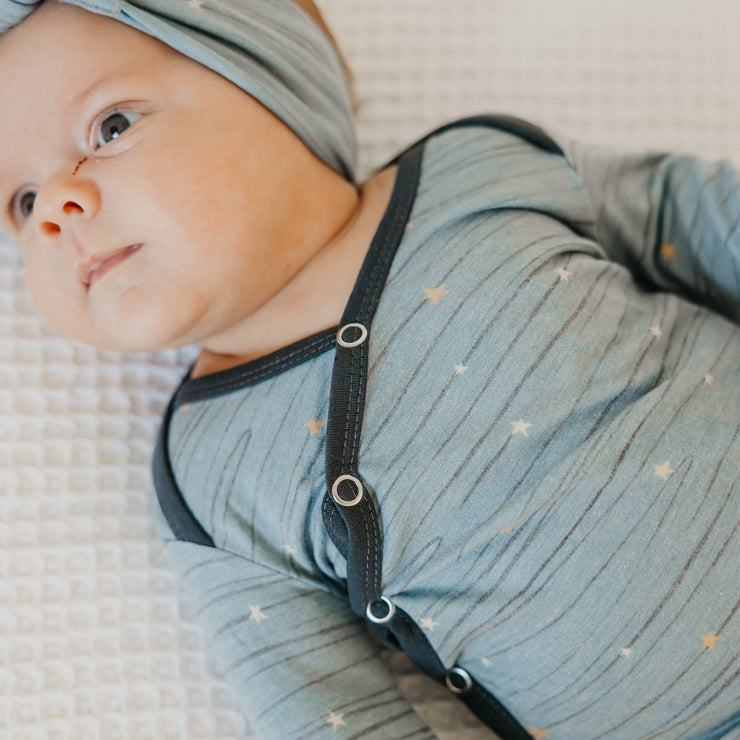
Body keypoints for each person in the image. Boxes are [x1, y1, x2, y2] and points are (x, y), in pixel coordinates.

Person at [0, 1, 738, 738]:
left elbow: (694, 219)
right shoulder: (212, 479)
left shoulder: (477, 172)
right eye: (23, 202)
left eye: (111, 128)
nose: (56, 210)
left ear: (269, 77)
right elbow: (332, 714)